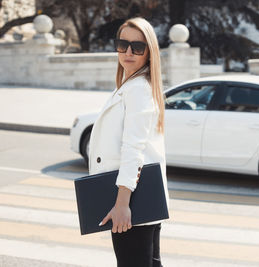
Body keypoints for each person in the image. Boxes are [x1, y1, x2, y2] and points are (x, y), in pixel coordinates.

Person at [88, 17, 169, 267]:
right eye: (122, 44)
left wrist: (122, 204)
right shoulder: (134, 85)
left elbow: (134, 149)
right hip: (141, 199)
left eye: (138, 47)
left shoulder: (138, 89)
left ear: (149, 52)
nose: (129, 52)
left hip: (131, 201)